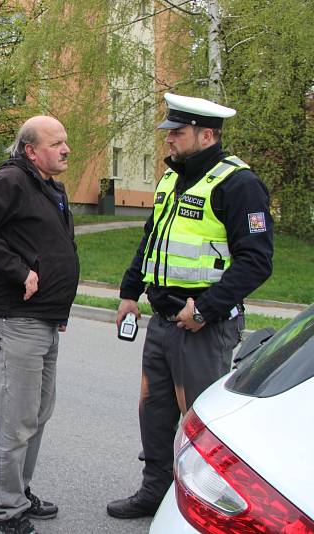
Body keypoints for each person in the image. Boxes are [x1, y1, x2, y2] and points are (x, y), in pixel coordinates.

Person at [107, 93, 274, 519]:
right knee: (155, 413)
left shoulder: (239, 183)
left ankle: (211, 507)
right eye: (168, 133)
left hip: (203, 328)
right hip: (163, 323)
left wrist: (205, 310)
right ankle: (155, 493)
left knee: (203, 424)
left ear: (207, 135)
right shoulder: (172, 179)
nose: (169, 140)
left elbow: (257, 260)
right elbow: (152, 239)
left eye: (177, 133)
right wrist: (130, 292)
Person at [0, 116, 79, 534]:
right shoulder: (12, 180)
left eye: (65, 142)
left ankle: (20, 494)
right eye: (56, 143)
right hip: (14, 320)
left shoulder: (49, 188)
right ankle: (7, 511)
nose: (65, 149)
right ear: (31, 150)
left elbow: (49, 247)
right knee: (16, 420)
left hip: (42, 320)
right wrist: (16, 270)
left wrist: (57, 310)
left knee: (38, 414)